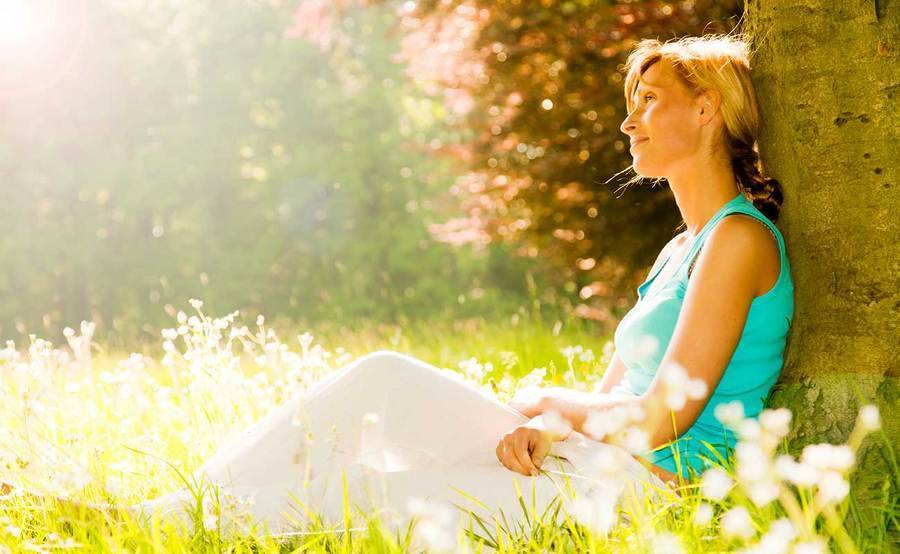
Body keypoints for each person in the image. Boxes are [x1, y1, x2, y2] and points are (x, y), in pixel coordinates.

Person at [6, 33, 796, 540]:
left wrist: (552, 404)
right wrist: (559, 419)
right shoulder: (678, 250)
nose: (630, 124)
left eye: (649, 102)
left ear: (706, 111)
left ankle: (144, 530)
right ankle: (153, 520)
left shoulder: (737, 239)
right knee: (380, 376)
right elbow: (616, 396)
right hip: (592, 461)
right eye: (631, 106)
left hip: (645, 498)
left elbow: (664, 415)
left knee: (360, 494)